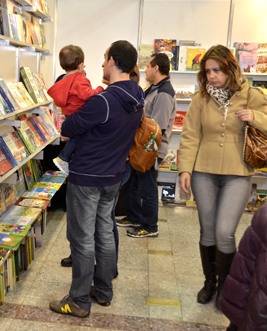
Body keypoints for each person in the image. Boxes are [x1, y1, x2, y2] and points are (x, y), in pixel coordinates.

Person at [177, 45, 267, 309]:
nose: (212, 76)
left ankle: (226, 286)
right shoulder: (200, 98)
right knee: (207, 230)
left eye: (217, 70)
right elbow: (190, 136)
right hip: (204, 172)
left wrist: (254, 116)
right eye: (208, 71)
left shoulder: (250, 94)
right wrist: (185, 169)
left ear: (230, 68)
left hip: (237, 173)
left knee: (224, 231)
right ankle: (210, 282)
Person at [49, 40, 144, 318]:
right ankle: (102, 290)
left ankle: (78, 300)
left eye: (104, 58)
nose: (102, 64)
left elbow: (68, 127)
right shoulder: (137, 96)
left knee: (82, 239)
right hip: (113, 176)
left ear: (113, 61)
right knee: (104, 232)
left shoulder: (103, 101)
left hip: (88, 176)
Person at [118, 53, 177, 238]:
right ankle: (135, 217)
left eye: (148, 66)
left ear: (156, 68)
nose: (145, 69)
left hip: (150, 150)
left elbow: (156, 127)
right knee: (134, 185)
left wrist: (144, 150)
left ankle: (150, 227)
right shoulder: (153, 89)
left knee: (148, 189)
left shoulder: (164, 93)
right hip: (141, 148)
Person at [47, 45, 104, 175]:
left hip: (67, 113)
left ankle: (66, 158)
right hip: (77, 113)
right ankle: (63, 158)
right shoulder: (79, 79)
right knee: (77, 138)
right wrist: (100, 89)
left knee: (74, 138)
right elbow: (88, 95)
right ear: (81, 65)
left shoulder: (63, 79)